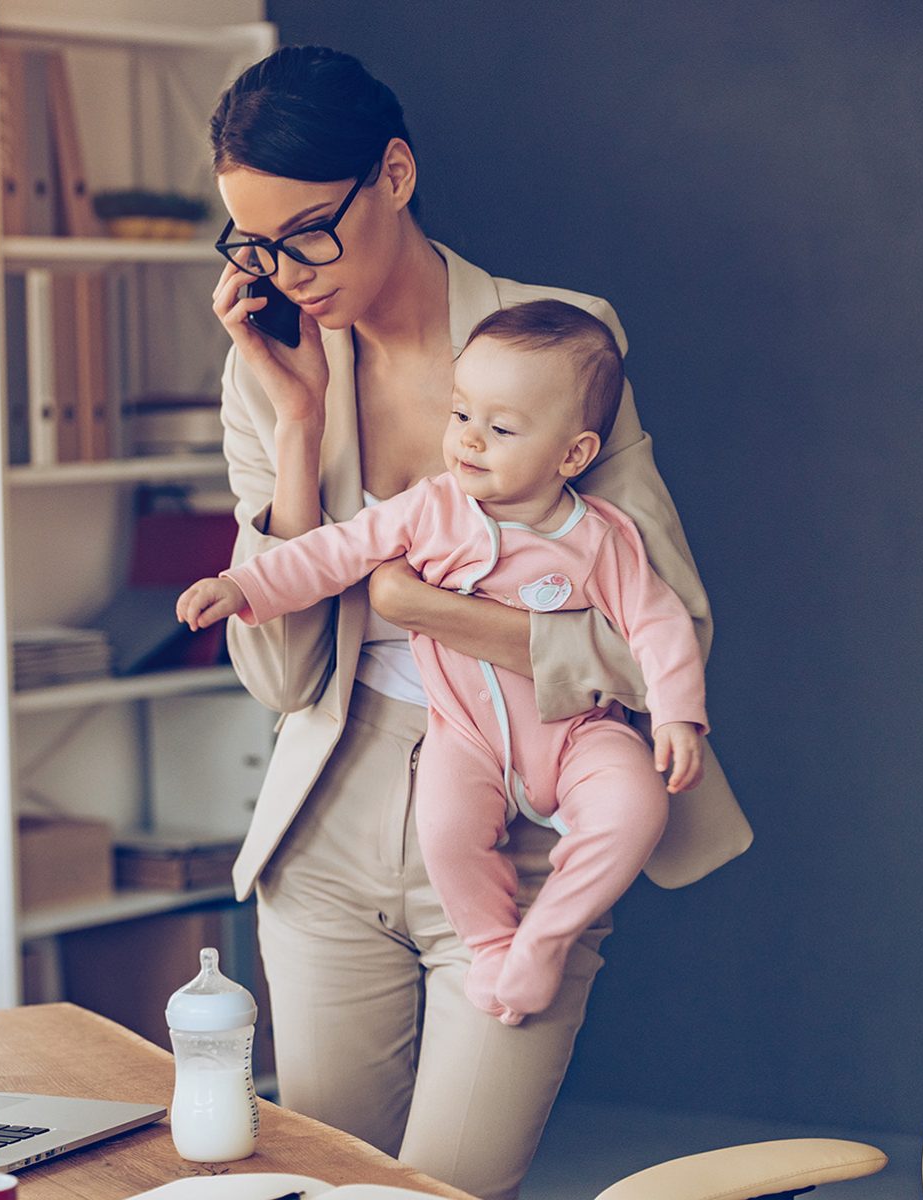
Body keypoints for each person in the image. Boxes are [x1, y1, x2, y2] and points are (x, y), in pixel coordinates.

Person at [205, 45, 753, 1200]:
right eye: (252, 245)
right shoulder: (267, 368)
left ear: (394, 175)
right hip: (332, 824)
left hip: (526, 821)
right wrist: (294, 429)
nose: (285, 273)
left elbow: (663, 637)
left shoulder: (556, 340)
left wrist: (426, 610)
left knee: (443, 1191)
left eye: (308, 232)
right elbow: (282, 678)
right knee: (318, 1185)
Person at [179, 299, 708, 1026]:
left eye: (501, 428)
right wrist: (242, 585)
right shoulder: (429, 508)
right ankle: (492, 944)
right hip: (464, 737)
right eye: (461, 415)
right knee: (446, 827)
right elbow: (334, 553)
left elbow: (659, 623)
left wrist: (678, 716)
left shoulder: (600, 538)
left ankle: (545, 937)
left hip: (580, 732)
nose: (468, 441)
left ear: (574, 455)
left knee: (637, 805)